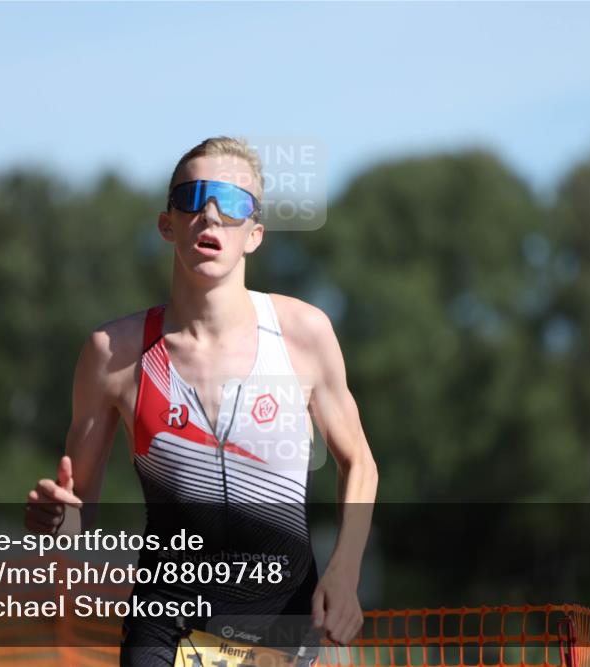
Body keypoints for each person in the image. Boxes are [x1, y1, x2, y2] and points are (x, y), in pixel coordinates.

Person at [25, 137, 378, 666]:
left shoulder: (303, 333)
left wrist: (344, 572)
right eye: (192, 198)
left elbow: (360, 463)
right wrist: (58, 521)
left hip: (279, 628)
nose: (210, 215)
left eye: (232, 203)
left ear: (254, 235)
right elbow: (80, 518)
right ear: (167, 224)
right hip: (163, 627)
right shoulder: (113, 353)